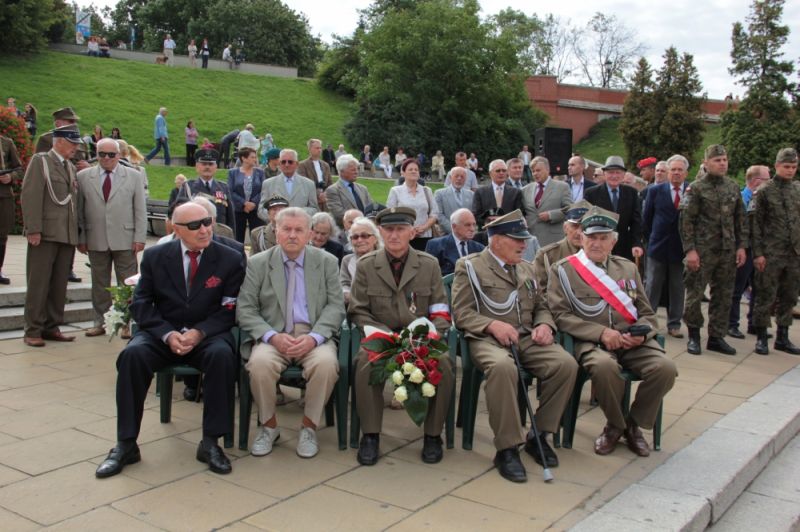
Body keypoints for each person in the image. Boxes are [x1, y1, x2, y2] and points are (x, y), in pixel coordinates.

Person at [94, 202, 245, 479]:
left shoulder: (229, 258)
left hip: (207, 335)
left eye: (207, 222)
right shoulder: (154, 257)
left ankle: (211, 442)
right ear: (176, 230)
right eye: (194, 225)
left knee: (223, 357)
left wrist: (199, 332)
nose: (204, 229)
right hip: (163, 334)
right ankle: (126, 444)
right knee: (132, 356)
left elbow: (230, 309)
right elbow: (141, 304)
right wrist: (167, 333)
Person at [451, 209, 577, 483]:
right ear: (496, 240)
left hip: (526, 336)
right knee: (502, 367)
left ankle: (539, 434)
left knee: (565, 364)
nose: (523, 244)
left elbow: (542, 305)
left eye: (524, 239)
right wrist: (492, 325)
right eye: (516, 239)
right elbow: (461, 313)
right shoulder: (470, 266)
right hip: (487, 338)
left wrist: (545, 325)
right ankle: (507, 448)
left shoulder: (526, 267)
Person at [548, 206, 676, 457]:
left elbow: (648, 313)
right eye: (591, 237)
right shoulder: (563, 270)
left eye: (603, 238)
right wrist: (601, 333)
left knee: (666, 369)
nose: (596, 244)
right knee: (605, 368)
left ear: (613, 241)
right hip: (592, 343)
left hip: (632, 341)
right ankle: (617, 426)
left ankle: (632, 425)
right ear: (581, 238)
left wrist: (642, 334)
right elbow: (560, 315)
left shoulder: (627, 269)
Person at [348, 207, 454, 466]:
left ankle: (432, 435)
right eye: (388, 229)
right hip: (382, 336)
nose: (394, 235)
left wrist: (429, 334)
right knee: (364, 363)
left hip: (419, 337)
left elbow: (440, 309)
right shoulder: (366, 265)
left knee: (444, 365)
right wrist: (382, 335)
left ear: (411, 231)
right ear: (381, 232)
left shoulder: (428, 265)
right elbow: (358, 310)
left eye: (400, 229)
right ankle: (371, 435)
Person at [236, 207, 345, 458]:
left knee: (327, 364)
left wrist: (314, 338)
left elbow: (336, 306)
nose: (293, 235)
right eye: (286, 229)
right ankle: (269, 426)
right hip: (274, 335)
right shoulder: (258, 263)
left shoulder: (326, 262)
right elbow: (246, 308)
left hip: (314, 335)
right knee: (259, 363)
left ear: (309, 234)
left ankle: (309, 427)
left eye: (299, 230)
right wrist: (271, 336)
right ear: (276, 231)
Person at [76, 138, 147, 337]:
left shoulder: (134, 176)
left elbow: (140, 209)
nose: (106, 158)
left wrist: (139, 237)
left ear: (119, 155)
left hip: (126, 237)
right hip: (95, 237)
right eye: (102, 154)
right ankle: (100, 322)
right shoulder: (83, 177)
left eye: (111, 154)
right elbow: (80, 210)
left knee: (128, 283)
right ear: (96, 154)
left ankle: (126, 323)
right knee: (100, 284)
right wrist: (81, 237)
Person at [20, 125, 82, 347]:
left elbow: (73, 203)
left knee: (58, 285)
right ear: (59, 141)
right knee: (38, 283)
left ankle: (52, 326)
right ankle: (33, 329)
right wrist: (33, 228)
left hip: (66, 234)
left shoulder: (70, 167)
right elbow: (30, 195)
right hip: (45, 233)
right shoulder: (41, 161)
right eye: (72, 143)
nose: (76, 148)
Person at [681, 145, 746, 356]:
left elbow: (740, 220)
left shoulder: (733, 187)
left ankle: (717, 337)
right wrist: (690, 250)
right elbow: (686, 222)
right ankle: (693, 336)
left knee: (724, 295)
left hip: (727, 251)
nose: (722, 163)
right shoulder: (696, 188)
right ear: (706, 163)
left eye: (725, 160)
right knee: (695, 294)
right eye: (718, 160)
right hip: (702, 251)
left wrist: (741, 247)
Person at [751, 148, 800, 355]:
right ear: (777, 166)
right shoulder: (764, 191)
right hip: (770, 253)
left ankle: (783, 336)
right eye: (786, 167)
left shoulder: (797, 190)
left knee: (789, 296)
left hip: (794, 253)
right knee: (765, 295)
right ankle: (761, 337)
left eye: (794, 167)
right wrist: (758, 253)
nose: (790, 171)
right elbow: (755, 225)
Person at [642, 155, 690, 339]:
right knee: (652, 285)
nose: (676, 173)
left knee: (677, 287)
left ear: (686, 173)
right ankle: (647, 321)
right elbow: (647, 219)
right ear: (668, 172)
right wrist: (649, 240)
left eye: (680, 170)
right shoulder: (655, 191)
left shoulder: (691, 191)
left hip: (681, 248)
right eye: (673, 169)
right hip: (658, 246)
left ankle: (674, 324)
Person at [728, 165, 770, 339]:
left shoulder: (762, 199)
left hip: (759, 249)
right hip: (744, 249)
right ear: (757, 181)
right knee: (737, 288)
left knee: (759, 288)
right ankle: (732, 324)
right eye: (768, 179)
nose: (770, 183)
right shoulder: (741, 198)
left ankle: (754, 323)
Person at [584, 156, 643, 261]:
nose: (614, 176)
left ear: (623, 175)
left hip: (625, 246)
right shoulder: (591, 193)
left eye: (618, 172)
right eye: (611, 172)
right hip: (600, 245)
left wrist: (636, 243)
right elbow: (586, 222)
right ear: (604, 174)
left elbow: (636, 221)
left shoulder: (632, 193)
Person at [532, 200, 592, 294]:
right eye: (575, 226)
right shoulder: (547, 255)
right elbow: (539, 294)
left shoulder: (600, 254)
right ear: (565, 228)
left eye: (585, 227)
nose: (579, 233)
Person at [178, 148, 236, 233]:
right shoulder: (188, 187)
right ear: (197, 166)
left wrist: (231, 237)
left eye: (210, 164)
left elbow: (230, 217)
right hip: (196, 234)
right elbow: (180, 213)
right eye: (204, 164)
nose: (207, 167)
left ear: (216, 167)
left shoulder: (224, 188)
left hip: (218, 234)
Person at [386, 159, 439, 251]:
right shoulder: (395, 191)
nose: (414, 171)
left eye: (416, 169)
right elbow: (390, 214)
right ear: (403, 173)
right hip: (403, 237)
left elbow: (434, 213)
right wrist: (409, 228)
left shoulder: (427, 190)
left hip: (425, 237)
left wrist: (424, 227)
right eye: (410, 169)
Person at [521, 156, 571, 247]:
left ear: (548, 170)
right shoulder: (525, 190)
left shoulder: (562, 187)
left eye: (538, 170)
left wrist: (551, 215)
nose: (535, 173)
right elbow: (522, 212)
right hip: (531, 240)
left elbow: (570, 209)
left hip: (553, 240)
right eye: (533, 171)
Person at [259, 149, 319, 219]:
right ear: (279, 164)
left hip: (299, 225)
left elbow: (314, 209)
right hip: (277, 227)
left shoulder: (309, 184)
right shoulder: (268, 184)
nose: (286, 165)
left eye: (290, 162)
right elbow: (261, 210)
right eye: (283, 162)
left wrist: (297, 212)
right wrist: (275, 217)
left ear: (297, 164)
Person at [424, 208, 484, 276]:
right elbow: (428, 275)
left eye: (474, 224)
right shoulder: (436, 245)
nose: (472, 229)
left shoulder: (480, 248)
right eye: (467, 225)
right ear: (454, 226)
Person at [228, 147, 265, 243]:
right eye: (252, 157)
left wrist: (253, 203)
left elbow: (263, 190)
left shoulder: (260, 172)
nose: (255, 159)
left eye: (255, 157)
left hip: (255, 210)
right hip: (239, 209)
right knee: (237, 237)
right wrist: (244, 203)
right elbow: (230, 191)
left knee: (257, 236)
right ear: (243, 158)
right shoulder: (233, 173)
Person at [326, 154, 374, 229]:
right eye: (353, 170)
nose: (356, 172)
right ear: (342, 171)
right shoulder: (332, 190)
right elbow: (339, 214)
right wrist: (361, 222)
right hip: (345, 232)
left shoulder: (363, 189)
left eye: (357, 169)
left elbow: (372, 208)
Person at [340, 216, 381, 304]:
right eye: (355, 237)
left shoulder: (385, 258)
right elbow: (344, 286)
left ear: (375, 238)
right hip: (355, 306)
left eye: (365, 236)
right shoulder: (347, 260)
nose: (359, 240)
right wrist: (348, 295)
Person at [0, 135, 23, 284]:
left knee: (1, 236)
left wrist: (10, 176)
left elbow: (19, 168)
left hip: (3, 195)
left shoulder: (6, 143)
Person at [472, 159, 523, 224]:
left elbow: (519, 214)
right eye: (498, 171)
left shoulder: (516, 192)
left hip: (509, 231)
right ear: (490, 173)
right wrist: (488, 221)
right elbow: (476, 215)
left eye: (504, 170)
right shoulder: (480, 192)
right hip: (487, 232)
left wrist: (503, 219)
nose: (501, 173)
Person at [434, 166, 474, 235]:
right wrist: (455, 230)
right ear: (450, 178)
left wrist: (466, 230)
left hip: (466, 236)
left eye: (462, 177)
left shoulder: (471, 195)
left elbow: (473, 215)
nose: (459, 178)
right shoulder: (439, 194)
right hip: (446, 234)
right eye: (456, 176)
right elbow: (439, 215)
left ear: (465, 179)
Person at [297, 138, 332, 212]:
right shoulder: (302, 165)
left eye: (320, 148)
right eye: (317, 148)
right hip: (311, 202)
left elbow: (330, 183)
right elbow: (303, 184)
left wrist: (326, 194)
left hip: (325, 202)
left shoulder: (326, 165)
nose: (319, 150)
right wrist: (318, 194)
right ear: (309, 149)